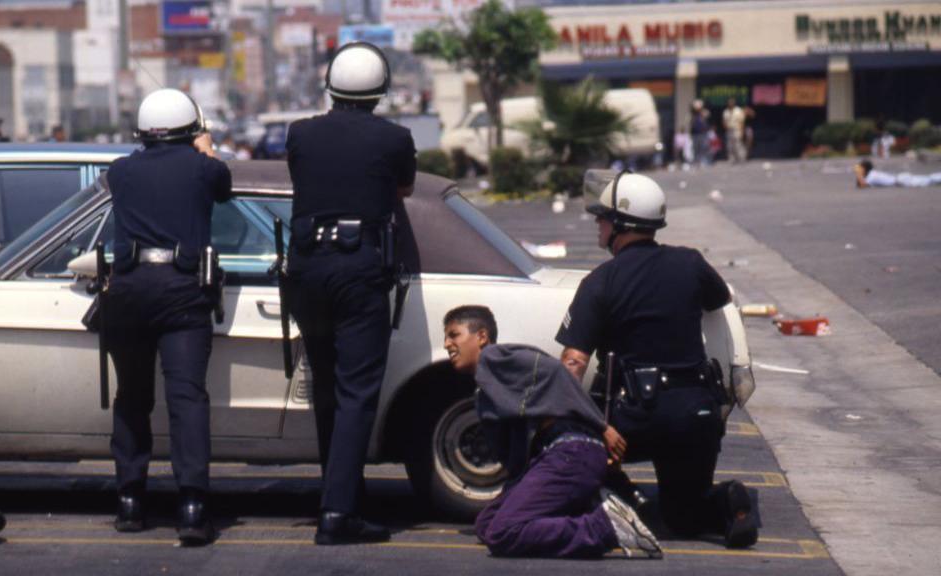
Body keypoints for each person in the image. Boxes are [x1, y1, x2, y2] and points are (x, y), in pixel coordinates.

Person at [556, 170, 759, 549]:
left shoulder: (601, 281)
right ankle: (731, 501)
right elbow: (720, 300)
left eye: (602, 217)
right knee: (686, 519)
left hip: (636, 418)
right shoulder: (691, 263)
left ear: (619, 223)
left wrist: (581, 423)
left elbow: (572, 365)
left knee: (566, 444)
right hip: (696, 417)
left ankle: (632, 503)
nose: (598, 225)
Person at [285, 41, 417, 545]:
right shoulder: (394, 138)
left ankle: (340, 492)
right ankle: (338, 513)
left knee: (326, 389)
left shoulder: (300, 134)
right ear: (379, 92)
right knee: (357, 392)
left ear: (331, 88)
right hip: (360, 268)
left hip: (307, 270)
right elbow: (402, 190)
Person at [103, 88, 231, 546]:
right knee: (187, 399)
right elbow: (223, 187)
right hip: (181, 291)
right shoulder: (204, 168)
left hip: (130, 289)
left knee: (132, 397)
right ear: (189, 127)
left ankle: (130, 500)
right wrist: (207, 147)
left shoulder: (120, 172)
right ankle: (193, 507)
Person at [443, 305, 662, 559]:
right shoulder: (486, 386)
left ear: (481, 337)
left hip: (570, 451)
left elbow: (556, 372)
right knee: (487, 524)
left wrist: (602, 426)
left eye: (454, 335)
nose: (447, 344)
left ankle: (605, 527)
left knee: (503, 532)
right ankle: (592, 503)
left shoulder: (493, 358)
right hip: (557, 456)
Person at [854, 159, 941, 188]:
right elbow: (860, 184)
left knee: (929, 180)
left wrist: (859, 173)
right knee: (929, 179)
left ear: (865, 168)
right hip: (901, 179)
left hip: (901, 180)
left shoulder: (872, 176)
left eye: (861, 167)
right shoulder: (871, 174)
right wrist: (860, 174)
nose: (859, 169)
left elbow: (863, 185)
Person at [722, 98, 746, 163]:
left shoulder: (738, 110)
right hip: (729, 130)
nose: (730, 104)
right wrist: (725, 127)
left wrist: (742, 131)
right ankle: (731, 159)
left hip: (737, 129)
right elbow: (724, 121)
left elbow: (742, 122)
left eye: (731, 102)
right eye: (729, 103)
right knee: (729, 145)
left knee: (738, 145)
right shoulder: (726, 111)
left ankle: (741, 158)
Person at [689, 99, 708, 166]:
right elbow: (690, 122)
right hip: (695, 134)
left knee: (703, 147)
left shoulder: (703, 113)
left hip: (702, 133)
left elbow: (706, 115)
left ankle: (703, 161)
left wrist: (701, 110)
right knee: (695, 148)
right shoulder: (692, 114)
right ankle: (696, 161)